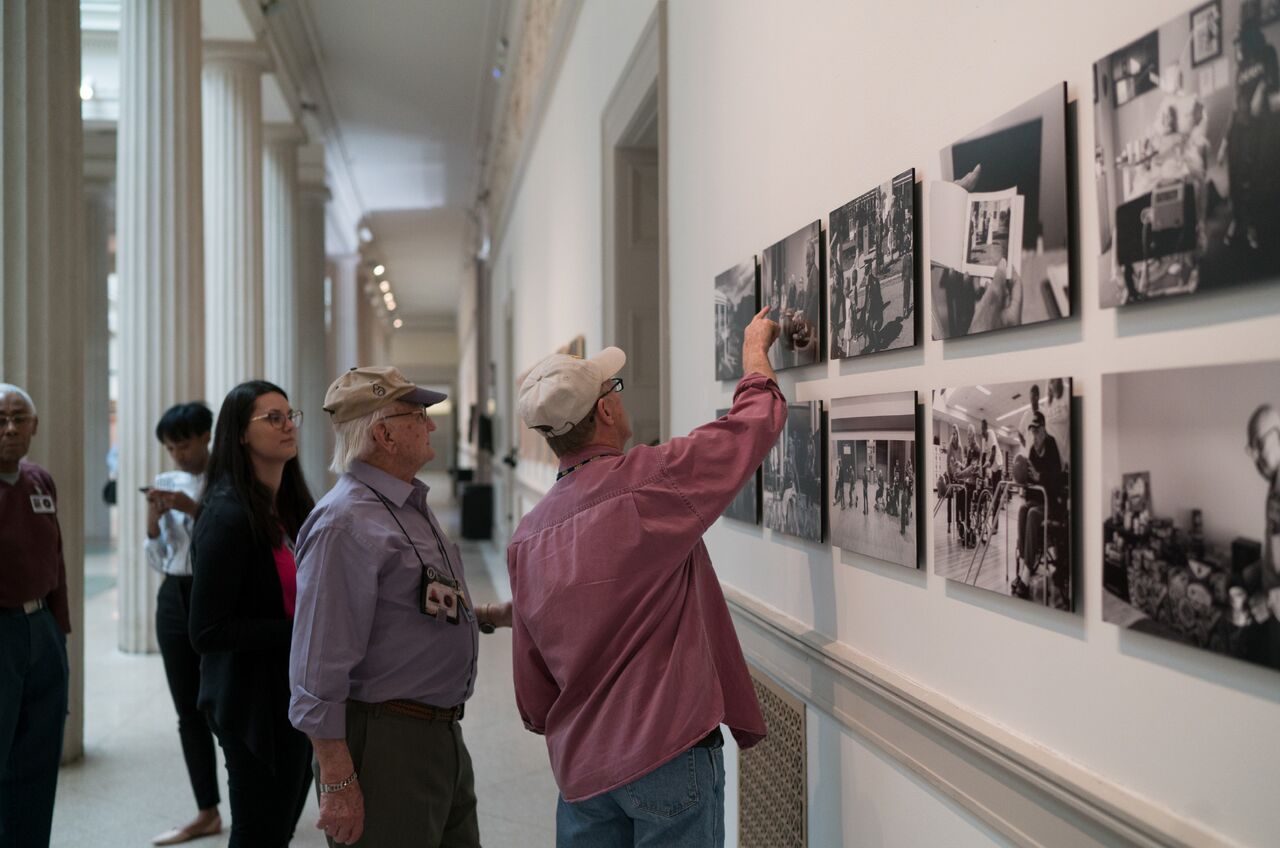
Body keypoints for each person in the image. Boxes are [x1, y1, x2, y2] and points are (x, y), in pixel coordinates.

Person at [509, 307, 784, 847]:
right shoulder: (646, 484)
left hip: (583, 770)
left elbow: (533, 692)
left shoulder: (527, 537)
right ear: (607, 410)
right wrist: (754, 352)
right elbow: (750, 428)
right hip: (667, 750)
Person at [288, 366, 512, 848]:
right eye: (419, 415)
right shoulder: (343, 524)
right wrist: (338, 779)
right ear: (383, 433)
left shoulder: (405, 503)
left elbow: (416, 602)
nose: (431, 425)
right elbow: (316, 669)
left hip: (439, 734)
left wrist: (489, 614)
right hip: (388, 742)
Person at [189, 381, 315, 847]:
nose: (287, 426)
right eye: (272, 418)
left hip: (293, 694)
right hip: (252, 703)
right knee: (258, 835)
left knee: (277, 830)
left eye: (290, 415)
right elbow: (206, 630)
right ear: (240, 435)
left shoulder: (289, 506)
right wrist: (301, 632)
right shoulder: (227, 515)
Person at [147, 402, 222, 846]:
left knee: (225, 705)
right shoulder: (165, 482)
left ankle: (253, 803)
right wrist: (154, 522)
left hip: (215, 595)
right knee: (187, 710)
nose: (177, 454)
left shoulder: (228, 478)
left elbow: (233, 536)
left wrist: (192, 508)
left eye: (185, 444)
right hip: (174, 596)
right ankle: (206, 809)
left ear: (206, 437)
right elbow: (157, 554)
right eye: (170, 447)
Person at [0, 384, 70, 848]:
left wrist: (60, 634)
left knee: (39, 756)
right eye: (1, 418)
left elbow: (57, 560)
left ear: (35, 426)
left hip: (42, 627)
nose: (10, 428)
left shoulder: (40, 480)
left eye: (19, 418)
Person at [1013, 412, 1067, 604]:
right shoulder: (1033, 452)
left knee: (1033, 514)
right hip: (1039, 501)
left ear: (1044, 430)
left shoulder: (1052, 447)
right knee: (1023, 510)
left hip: (1053, 505)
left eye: (1037, 433)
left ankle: (1026, 574)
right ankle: (1023, 562)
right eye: (1032, 433)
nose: (1034, 438)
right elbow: (1032, 487)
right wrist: (1026, 482)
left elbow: (1059, 481)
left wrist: (1039, 477)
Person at [1247, 404, 1280, 595]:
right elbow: (1277, 557)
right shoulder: (1274, 487)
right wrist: (1248, 575)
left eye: (1259, 444)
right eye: (1252, 448)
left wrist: (1269, 603)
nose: (1255, 456)